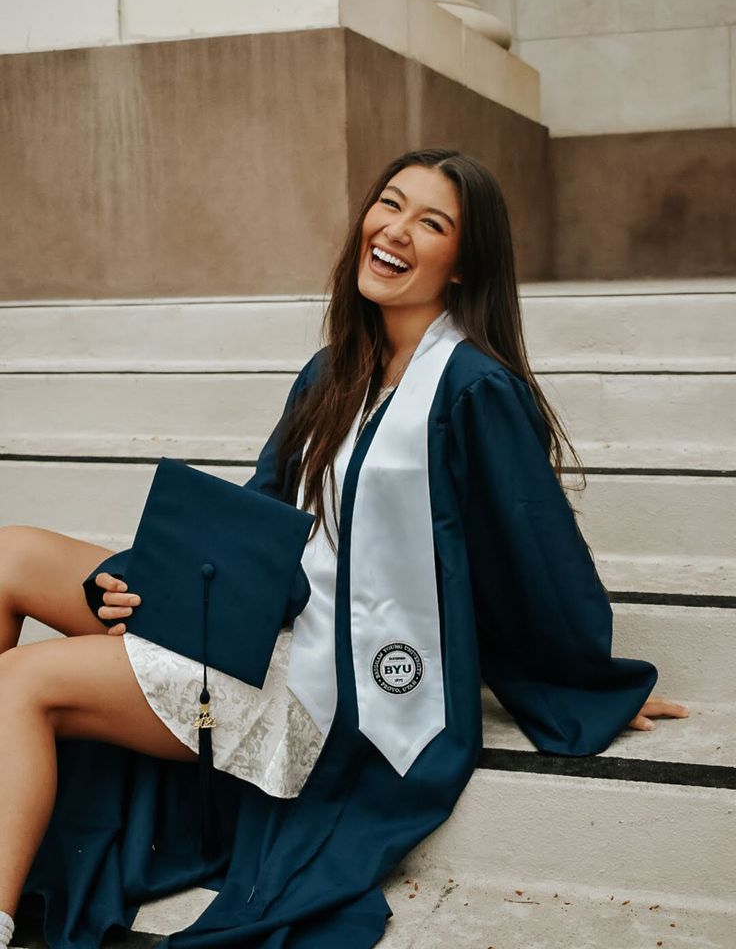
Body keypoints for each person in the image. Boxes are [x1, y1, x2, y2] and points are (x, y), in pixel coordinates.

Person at [0, 147, 688, 949]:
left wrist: (587, 685)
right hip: (254, 618)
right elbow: (262, 514)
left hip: (318, 686)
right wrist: (149, 584)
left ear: (464, 264)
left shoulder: (471, 390)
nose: (395, 230)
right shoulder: (334, 372)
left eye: (431, 223)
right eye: (388, 205)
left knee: (21, 682)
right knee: (10, 553)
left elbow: (528, 555)